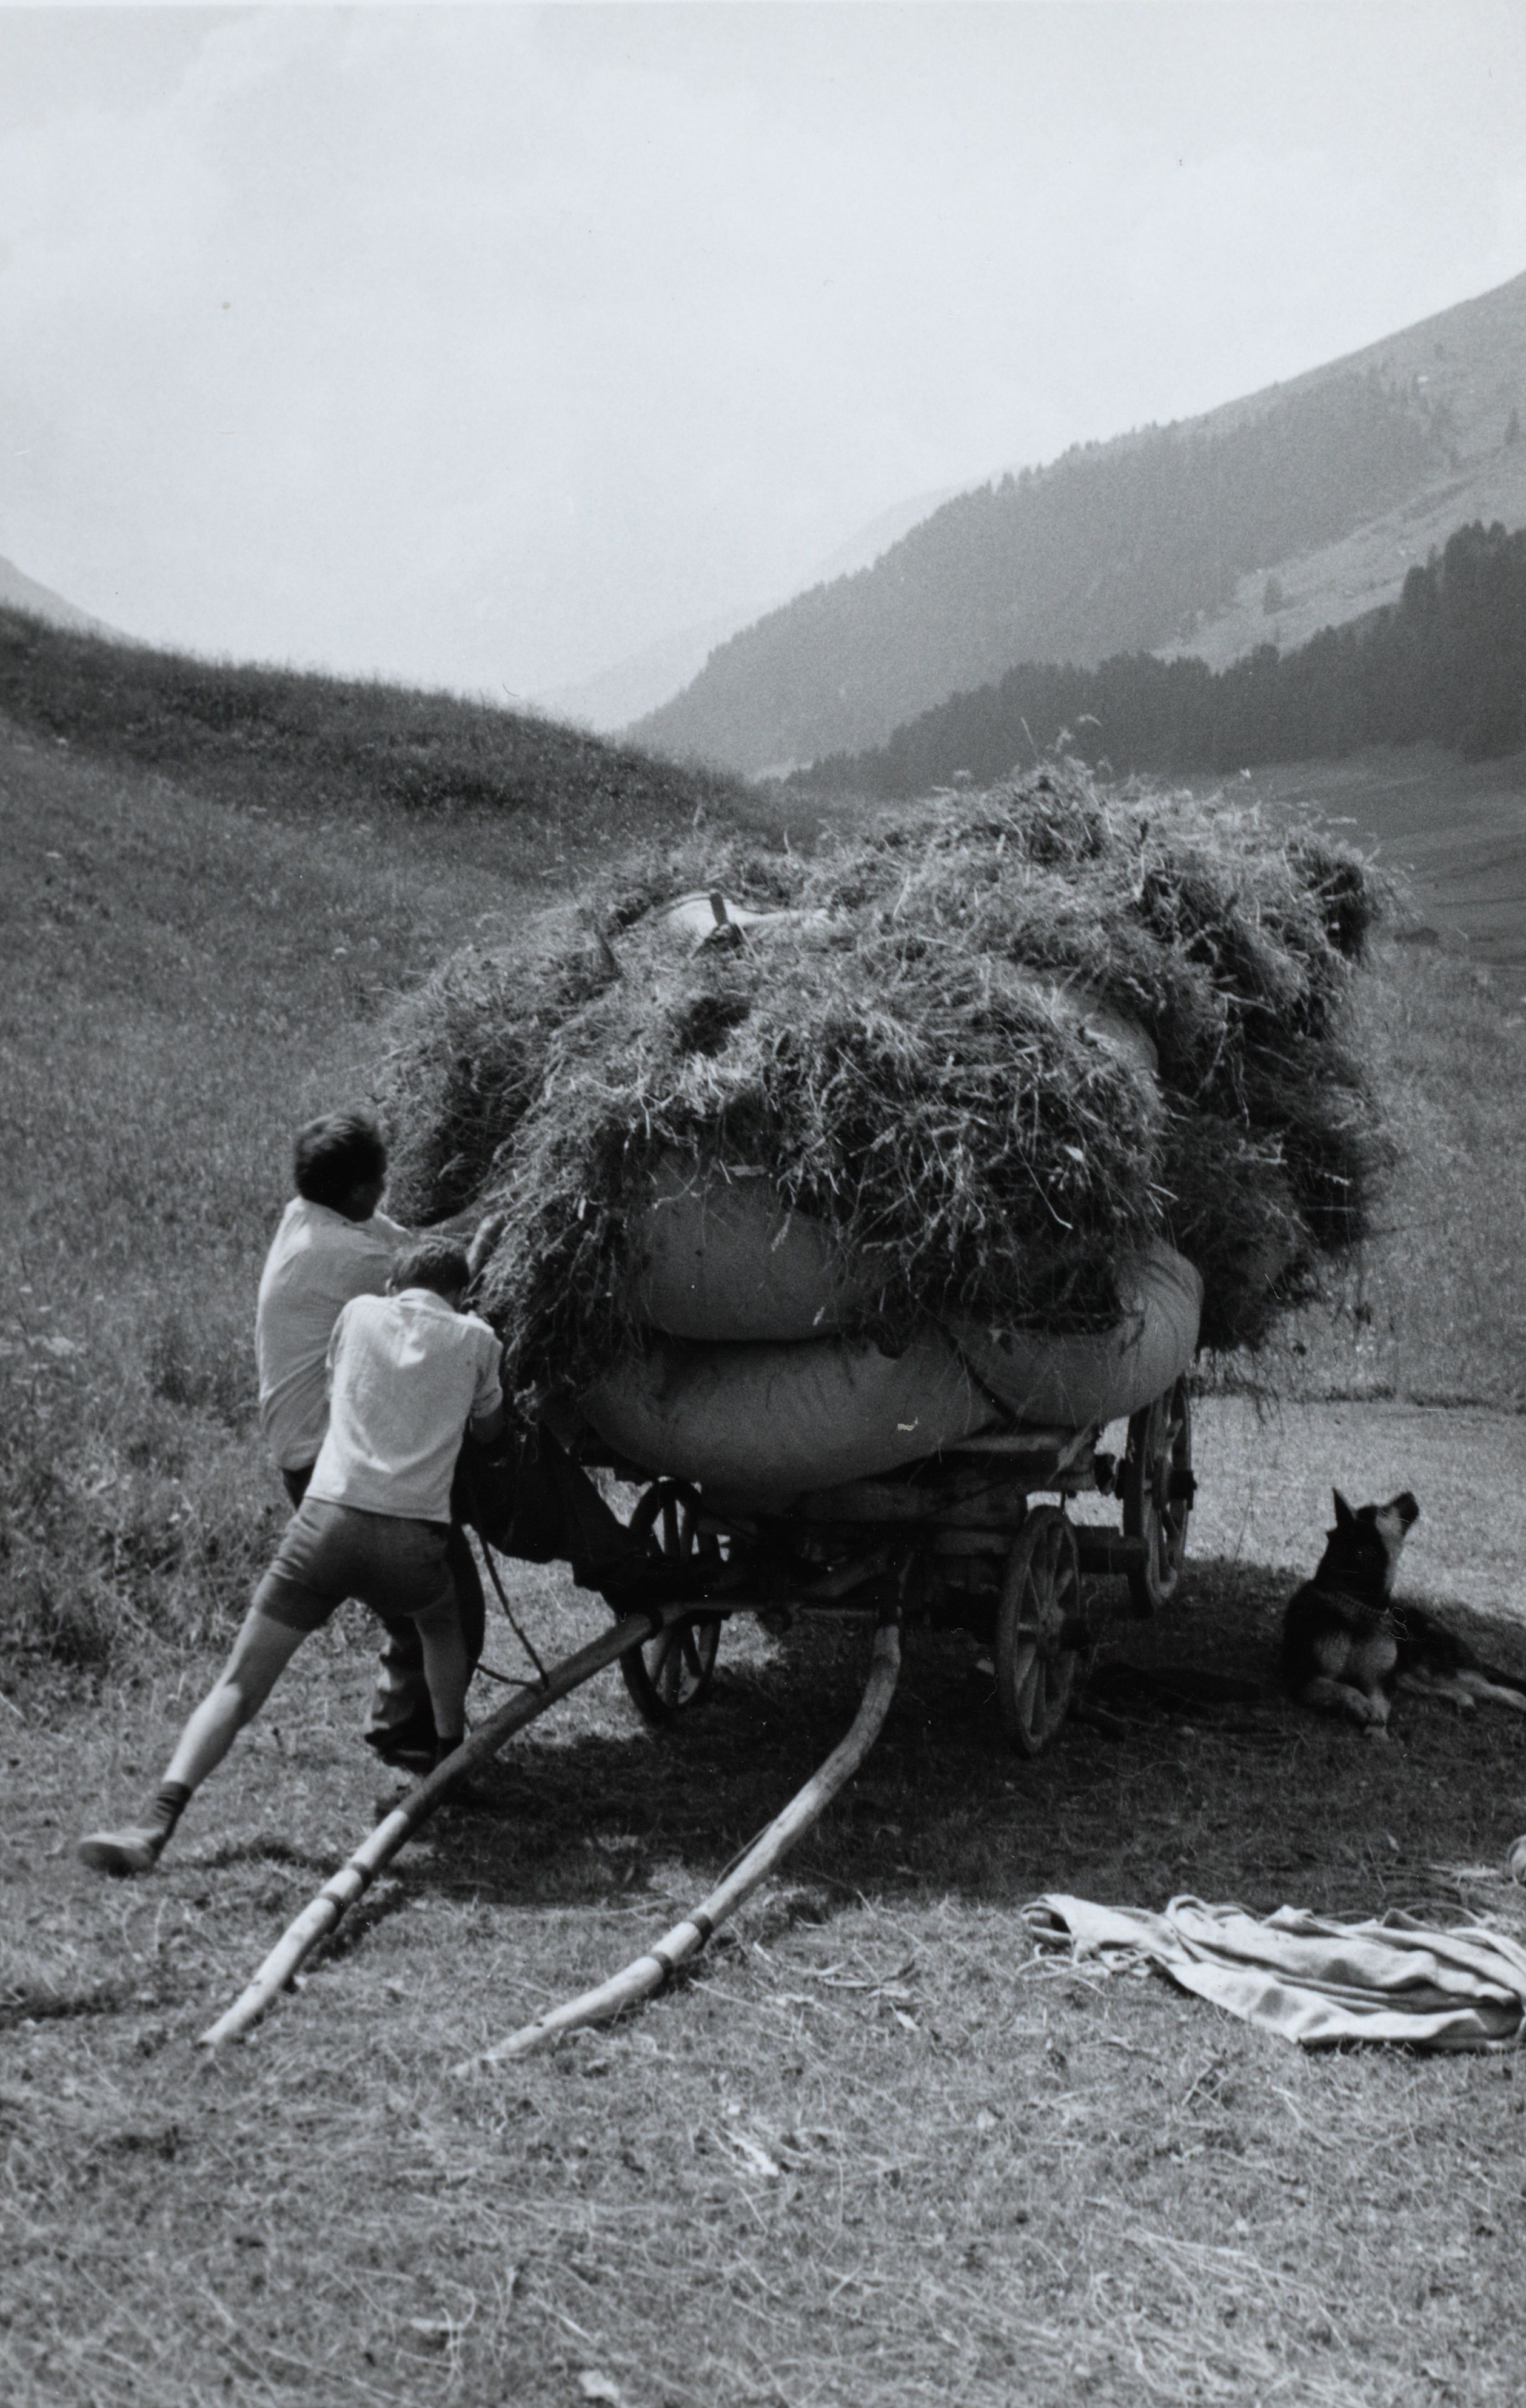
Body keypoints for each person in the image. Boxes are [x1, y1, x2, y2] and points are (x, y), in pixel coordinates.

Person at [78, 1236, 504, 1877]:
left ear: (393, 1286)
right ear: (460, 1294)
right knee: (441, 1621)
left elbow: (345, 1388)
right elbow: (492, 1431)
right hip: (410, 1544)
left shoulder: (358, 1313)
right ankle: (450, 1757)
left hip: (325, 1525)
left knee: (239, 1683)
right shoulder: (478, 1339)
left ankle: (156, 1822)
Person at [256, 1110, 484, 1767]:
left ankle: (401, 1721)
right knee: (449, 1605)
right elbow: (446, 1283)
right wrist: (484, 1239)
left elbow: (415, 1241)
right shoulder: (345, 1257)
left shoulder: (313, 1216)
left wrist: (483, 1211)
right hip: (331, 1460)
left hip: (319, 1449)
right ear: (359, 1189)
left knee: (413, 1604)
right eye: (380, 1180)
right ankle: (416, 1738)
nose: (385, 1189)